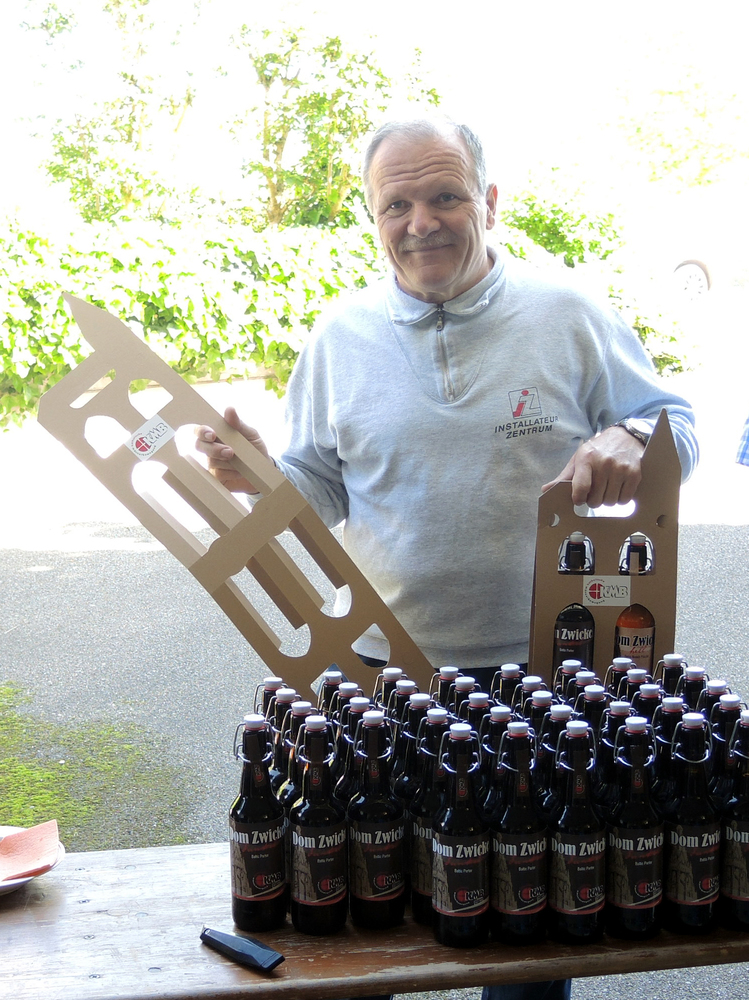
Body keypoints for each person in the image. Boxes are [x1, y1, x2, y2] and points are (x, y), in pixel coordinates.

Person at [197, 118, 698, 1000]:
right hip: (382, 670)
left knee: (533, 931)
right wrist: (260, 480)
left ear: (488, 202)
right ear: (371, 217)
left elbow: (677, 426)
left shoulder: (568, 315)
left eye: (444, 195)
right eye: (397, 202)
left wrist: (630, 432)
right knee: (369, 915)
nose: (421, 220)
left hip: (545, 675)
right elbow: (318, 490)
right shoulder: (337, 337)